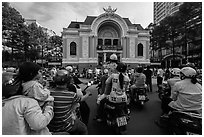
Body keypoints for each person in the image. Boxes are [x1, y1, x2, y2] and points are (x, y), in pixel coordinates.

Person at [48, 69, 89, 135]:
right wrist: (87, 94)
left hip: (50, 126)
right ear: (68, 81)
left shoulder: (48, 93)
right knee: (84, 129)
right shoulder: (71, 95)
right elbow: (81, 99)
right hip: (66, 126)